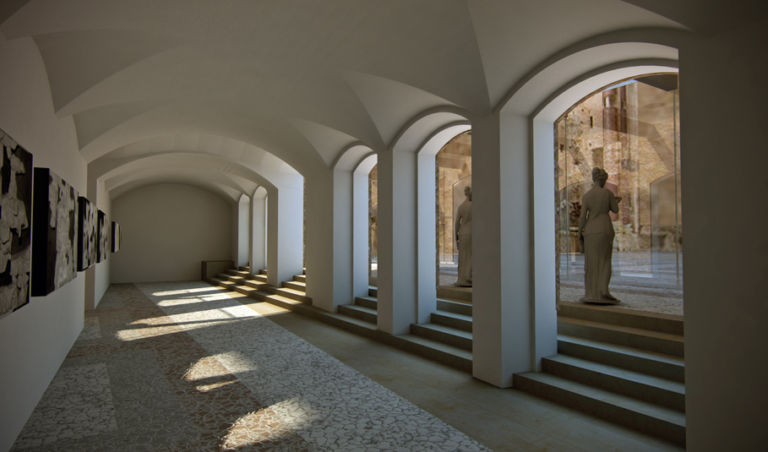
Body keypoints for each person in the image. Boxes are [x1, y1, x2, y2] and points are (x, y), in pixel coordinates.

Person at [578, 168, 621, 304]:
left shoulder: (587, 196)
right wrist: (616, 200)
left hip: (591, 230)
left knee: (591, 263)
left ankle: (591, 293)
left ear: (593, 179)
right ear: (603, 180)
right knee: (605, 260)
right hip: (604, 228)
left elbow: (582, 217)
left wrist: (580, 233)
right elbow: (615, 209)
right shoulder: (607, 193)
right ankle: (603, 290)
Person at [454, 186, 472, 287]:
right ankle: (469, 279)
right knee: (471, 257)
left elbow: (457, 224)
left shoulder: (461, 206)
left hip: (463, 233)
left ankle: (462, 279)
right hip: (472, 233)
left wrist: (456, 238)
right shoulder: (475, 205)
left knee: (463, 257)